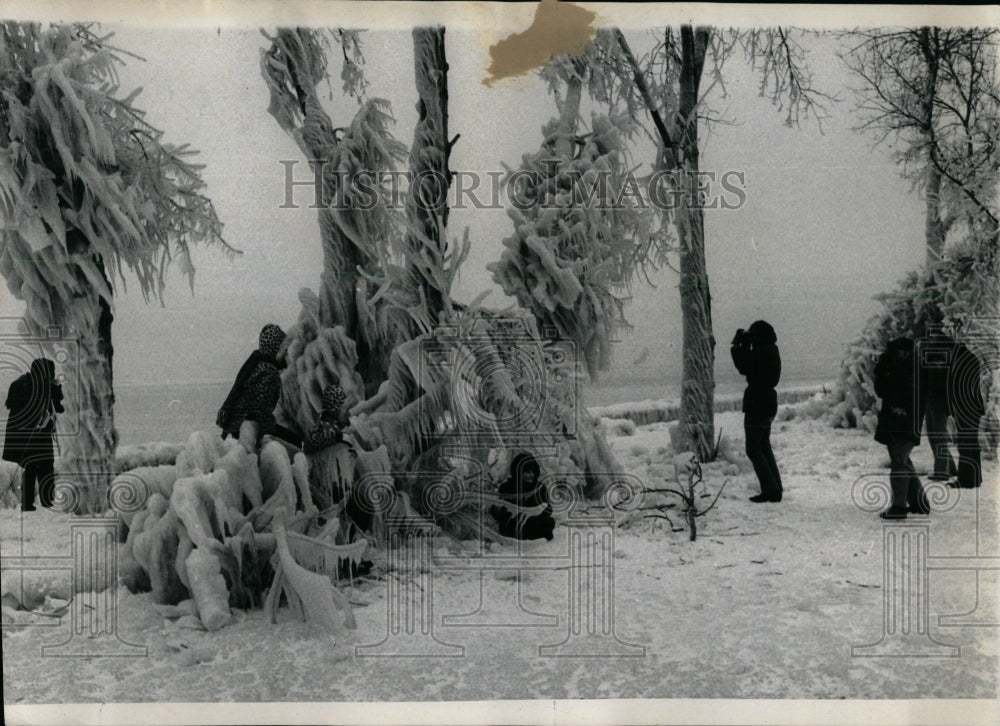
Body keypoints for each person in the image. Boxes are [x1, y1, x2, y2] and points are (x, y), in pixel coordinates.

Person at [873, 337, 931, 519]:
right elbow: (884, 390)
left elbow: (887, 390)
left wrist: (883, 369)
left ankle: (899, 507)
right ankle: (919, 502)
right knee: (902, 460)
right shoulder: (912, 366)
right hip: (902, 420)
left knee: (899, 461)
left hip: (901, 420)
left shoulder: (906, 367)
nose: (903, 354)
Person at [217, 324, 301, 447]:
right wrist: (269, 434)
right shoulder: (268, 371)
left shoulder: (255, 364)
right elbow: (261, 410)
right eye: (285, 350)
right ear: (276, 349)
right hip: (246, 426)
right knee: (295, 441)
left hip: (236, 424)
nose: (287, 355)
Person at [731, 320, 783, 503]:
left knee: (754, 449)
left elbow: (744, 366)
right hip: (768, 402)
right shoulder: (771, 350)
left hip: (757, 402)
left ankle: (771, 491)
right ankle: (775, 489)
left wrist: (738, 346)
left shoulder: (761, 352)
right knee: (763, 446)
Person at [3, 357, 64, 511]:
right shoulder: (22, 385)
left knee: (45, 468)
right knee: (31, 469)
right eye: (50, 373)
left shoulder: (37, 386)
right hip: (26, 437)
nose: (51, 376)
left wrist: (55, 392)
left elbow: (60, 408)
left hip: (39, 435)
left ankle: (47, 503)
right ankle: (29, 505)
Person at [490, 452, 555, 541]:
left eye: (533, 472)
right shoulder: (506, 487)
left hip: (534, 524)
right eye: (527, 472)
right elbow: (496, 511)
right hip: (514, 525)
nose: (531, 475)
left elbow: (548, 509)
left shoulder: (539, 487)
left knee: (549, 521)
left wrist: (536, 512)